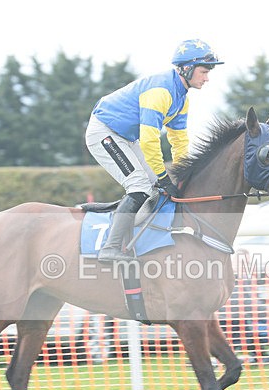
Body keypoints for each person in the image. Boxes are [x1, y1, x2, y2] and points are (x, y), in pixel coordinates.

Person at [85, 38, 224, 262]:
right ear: (187, 69)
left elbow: (179, 141)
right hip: (104, 132)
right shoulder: (161, 92)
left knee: (154, 189)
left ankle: (135, 237)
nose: (207, 78)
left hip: (125, 137)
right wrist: (162, 176)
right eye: (204, 71)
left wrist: (182, 175)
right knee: (140, 185)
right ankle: (110, 247)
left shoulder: (182, 100)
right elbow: (150, 140)